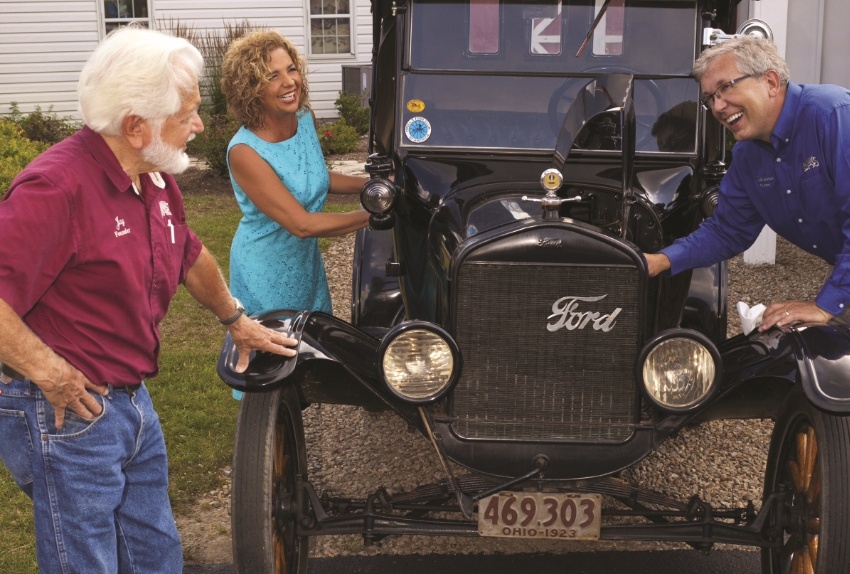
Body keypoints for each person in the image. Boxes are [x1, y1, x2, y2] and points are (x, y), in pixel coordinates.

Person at [0, 26, 297, 574]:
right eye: (186, 114)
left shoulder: (153, 177)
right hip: (69, 409)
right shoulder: (56, 188)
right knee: (86, 564)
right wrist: (51, 373)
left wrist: (236, 320)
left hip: (131, 403)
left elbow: (188, 252)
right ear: (136, 126)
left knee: (155, 554)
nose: (200, 125)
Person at [644, 36, 850, 332]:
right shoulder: (747, 155)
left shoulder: (835, 115)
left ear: (770, 82)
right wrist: (660, 260)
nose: (717, 106)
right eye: (709, 98)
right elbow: (727, 231)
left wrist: (825, 305)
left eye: (726, 87)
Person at [220, 30, 370, 321]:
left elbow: (315, 175)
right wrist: (374, 214)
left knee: (315, 347)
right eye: (272, 76)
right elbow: (301, 224)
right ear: (250, 88)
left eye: (291, 69)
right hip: (265, 271)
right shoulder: (244, 152)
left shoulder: (304, 119)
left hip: (305, 263)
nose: (289, 82)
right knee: (277, 356)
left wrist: (374, 186)